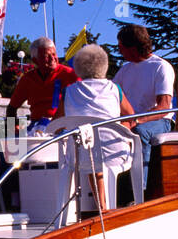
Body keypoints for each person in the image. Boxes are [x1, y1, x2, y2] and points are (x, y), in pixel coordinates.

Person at [55, 43, 135, 210]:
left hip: (80, 157)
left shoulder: (68, 92)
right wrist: (122, 130)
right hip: (116, 153)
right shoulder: (115, 89)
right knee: (98, 149)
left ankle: (102, 206)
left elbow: (56, 124)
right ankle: (112, 204)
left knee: (90, 149)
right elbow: (131, 116)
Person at [113, 24, 174, 191]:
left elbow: (164, 106)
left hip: (160, 121)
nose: (119, 51)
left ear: (132, 48)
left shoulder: (161, 67)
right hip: (131, 120)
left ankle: (140, 192)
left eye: (121, 47)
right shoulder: (124, 70)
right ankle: (113, 192)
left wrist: (136, 120)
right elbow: (112, 96)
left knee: (139, 133)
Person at [5, 37, 77, 133]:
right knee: (16, 144)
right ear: (35, 60)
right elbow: (11, 108)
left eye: (54, 54)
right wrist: (13, 128)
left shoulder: (70, 74)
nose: (52, 59)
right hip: (36, 125)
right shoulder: (27, 79)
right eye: (47, 56)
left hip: (63, 125)